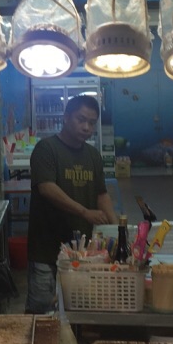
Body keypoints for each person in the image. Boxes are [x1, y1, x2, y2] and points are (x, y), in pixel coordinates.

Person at [25, 94, 118, 314]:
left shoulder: (93, 155)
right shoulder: (46, 149)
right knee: (42, 312)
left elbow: (101, 194)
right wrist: (84, 212)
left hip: (81, 253)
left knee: (78, 308)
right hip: (47, 249)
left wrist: (118, 229)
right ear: (66, 117)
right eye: (81, 119)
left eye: (92, 123)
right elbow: (47, 188)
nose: (86, 127)